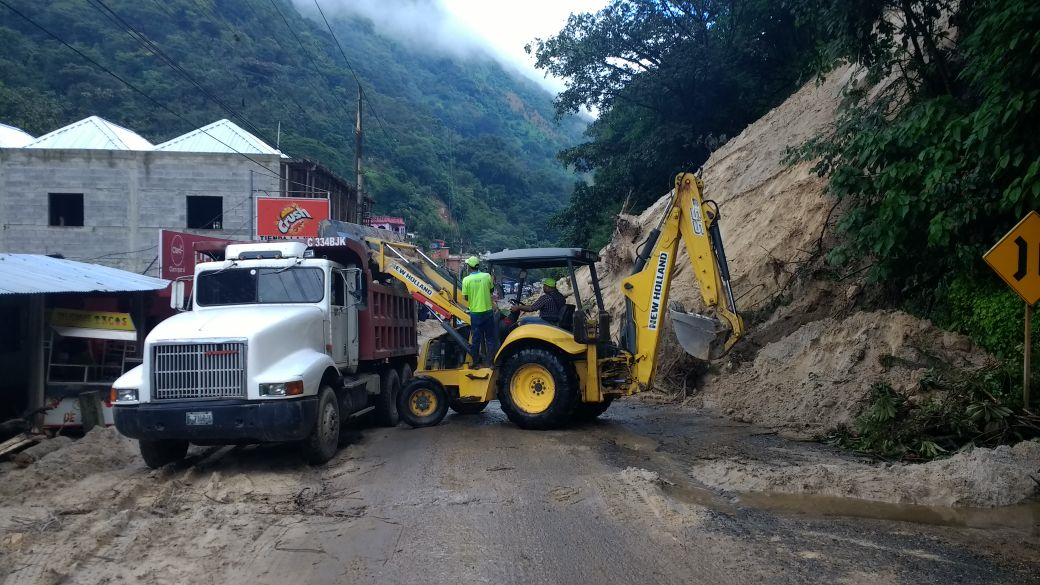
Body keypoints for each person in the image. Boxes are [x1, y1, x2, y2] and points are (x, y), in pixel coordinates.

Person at [461, 256, 498, 366]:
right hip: (487, 312)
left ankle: (476, 363)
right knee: (490, 338)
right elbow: (491, 290)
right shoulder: (487, 276)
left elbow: (465, 297)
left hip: (475, 314)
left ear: (469, 267)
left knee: (475, 339)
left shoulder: (466, 280)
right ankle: (491, 362)